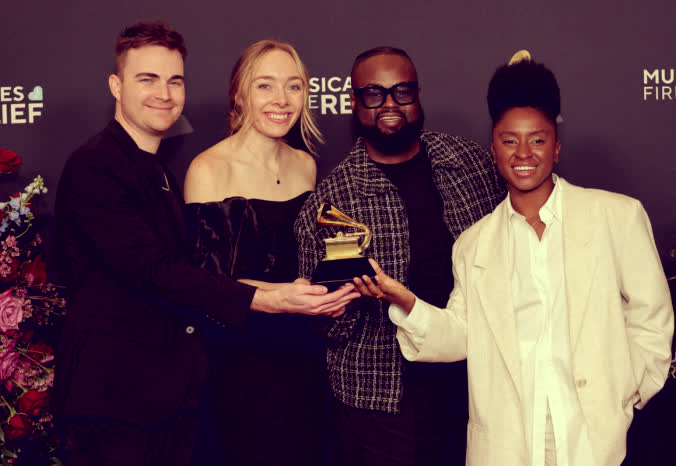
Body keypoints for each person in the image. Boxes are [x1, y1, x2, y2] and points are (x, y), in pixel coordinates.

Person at [54, 22, 358, 466]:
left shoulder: (154, 170)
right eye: (147, 79)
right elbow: (156, 272)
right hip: (118, 392)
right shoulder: (96, 166)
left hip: (173, 389)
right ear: (116, 86)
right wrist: (274, 298)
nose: (164, 93)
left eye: (175, 81)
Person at [354, 56, 674, 466]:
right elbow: (462, 334)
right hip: (507, 442)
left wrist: (628, 392)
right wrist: (407, 303)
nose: (524, 153)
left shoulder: (617, 216)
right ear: (493, 150)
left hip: (596, 436)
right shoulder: (473, 244)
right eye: (509, 141)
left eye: (537, 140)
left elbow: (652, 316)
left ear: (556, 148)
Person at [294, 46, 506, 466]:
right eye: (374, 94)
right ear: (354, 102)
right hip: (383, 398)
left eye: (401, 91)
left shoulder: (470, 164)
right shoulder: (333, 201)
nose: (390, 104)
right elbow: (328, 328)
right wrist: (336, 307)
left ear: (418, 95)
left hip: (475, 381)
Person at [183, 39, 331, 466]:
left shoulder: (306, 164)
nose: (281, 99)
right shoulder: (209, 169)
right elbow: (206, 283)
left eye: (293, 86)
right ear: (240, 94)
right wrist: (280, 296)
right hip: (240, 357)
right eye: (265, 85)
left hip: (304, 351)